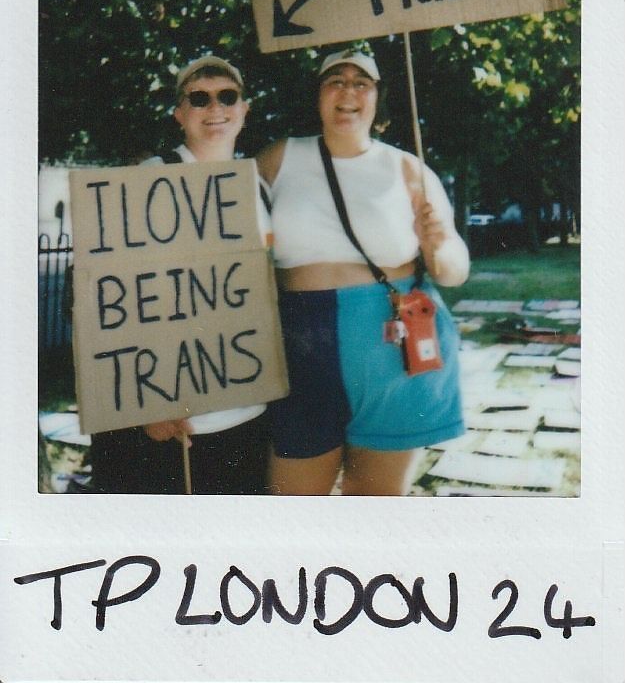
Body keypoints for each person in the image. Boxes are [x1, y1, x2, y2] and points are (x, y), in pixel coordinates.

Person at [257, 49, 470, 496]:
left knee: (375, 509)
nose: (348, 91)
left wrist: (437, 247)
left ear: (377, 98)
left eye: (361, 82)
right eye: (335, 79)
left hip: (391, 349)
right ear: (317, 95)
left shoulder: (407, 169)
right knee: (293, 509)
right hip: (300, 346)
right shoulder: (278, 159)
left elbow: (453, 270)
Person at [90, 55, 271, 494]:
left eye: (228, 96)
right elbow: (116, 295)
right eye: (199, 98)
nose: (216, 108)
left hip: (248, 408)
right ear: (179, 114)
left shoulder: (257, 185)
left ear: (244, 110)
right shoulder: (151, 178)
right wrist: (146, 405)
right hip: (176, 417)